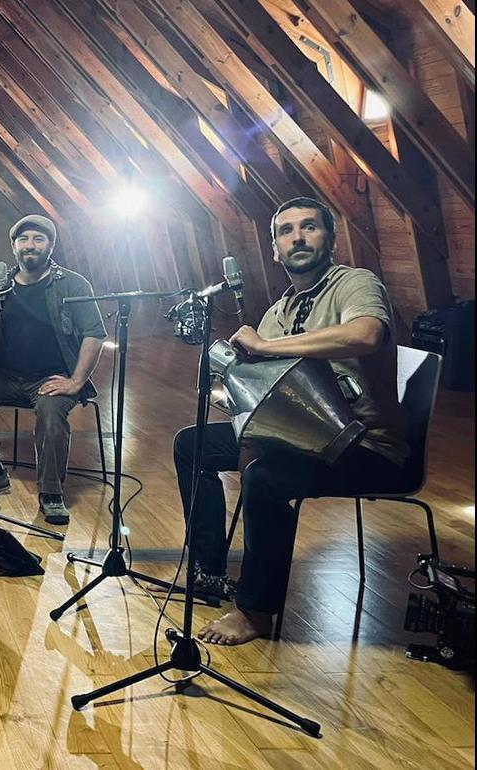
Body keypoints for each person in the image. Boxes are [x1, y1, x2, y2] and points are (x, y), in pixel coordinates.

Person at [173, 197, 410, 645]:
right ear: (276, 250)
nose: (297, 237)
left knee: (264, 477)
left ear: (331, 240)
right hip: (301, 437)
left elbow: (366, 334)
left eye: (309, 227)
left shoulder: (355, 283)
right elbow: (265, 389)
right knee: (193, 444)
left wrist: (264, 348)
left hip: (362, 445)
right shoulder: (277, 311)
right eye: (286, 231)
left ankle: (255, 612)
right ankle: (209, 571)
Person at [0, 214, 106, 525]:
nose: (30, 245)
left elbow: (95, 333)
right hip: (7, 376)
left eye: (38, 239)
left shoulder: (73, 284)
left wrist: (77, 381)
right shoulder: (1, 287)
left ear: (51, 246)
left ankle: (51, 492)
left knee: (50, 413)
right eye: (23, 240)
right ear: (13, 247)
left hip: (52, 379)